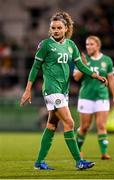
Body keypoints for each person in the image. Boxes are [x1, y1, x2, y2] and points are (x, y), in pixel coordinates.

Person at [20, 12, 107, 170]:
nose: (56, 30)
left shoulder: (71, 45)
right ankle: (79, 161)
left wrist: (95, 75)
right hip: (52, 89)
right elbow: (35, 68)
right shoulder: (45, 45)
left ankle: (39, 162)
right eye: (53, 28)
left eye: (59, 27)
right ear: (50, 29)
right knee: (69, 122)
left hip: (63, 90)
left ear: (66, 28)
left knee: (52, 125)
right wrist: (28, 90)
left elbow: (80, 66)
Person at [73, 35, 114, 160]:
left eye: (91, 44)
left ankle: (104, 153)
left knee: (101, 126)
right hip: (86, 96)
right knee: (85, 127)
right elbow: (76, 77)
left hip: (102, 96)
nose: (88, 47)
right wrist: (84, 65)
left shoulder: (107, 60)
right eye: (87, 44)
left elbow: (111, 79)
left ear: (98, 46)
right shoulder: (82, 59)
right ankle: (78, 151)